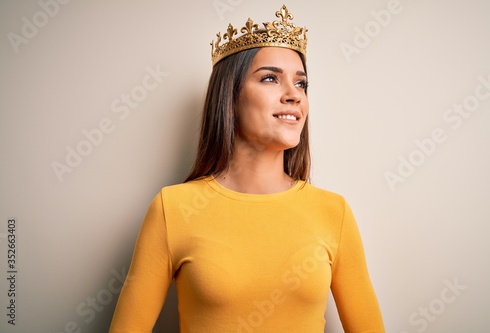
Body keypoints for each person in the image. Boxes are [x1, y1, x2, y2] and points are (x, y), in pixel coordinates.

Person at [109, 5, 385, 333]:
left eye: (302, 84)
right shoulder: (172, 209)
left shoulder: (333, 212)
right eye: (270, 78)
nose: (293, 96)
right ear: (231, 95)